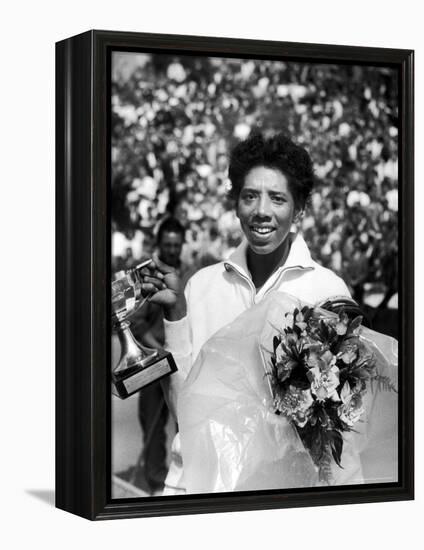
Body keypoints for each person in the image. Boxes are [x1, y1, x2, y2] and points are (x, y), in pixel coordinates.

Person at [138, 132, 386, 494]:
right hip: (200, 489)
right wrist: (175, 316)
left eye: (277, 198)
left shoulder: (327, 291)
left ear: (298, 210)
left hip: (286, 500)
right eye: (250, 196)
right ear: (235, 203)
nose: (261, 211)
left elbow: (343, 426)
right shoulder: (203, 288)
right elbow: (184, 411)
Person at [127, 217, 192, 494]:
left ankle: (189, 480)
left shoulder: (190, 275)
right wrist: (160, 350)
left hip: (184, 363)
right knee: (152, 424)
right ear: (159, 244)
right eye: (167, 244)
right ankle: (155, 482)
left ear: (182, 245)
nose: (172, 250)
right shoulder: (147, 275)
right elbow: (137, 323)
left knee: (187, 423)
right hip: (154, 360)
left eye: (176, 245)